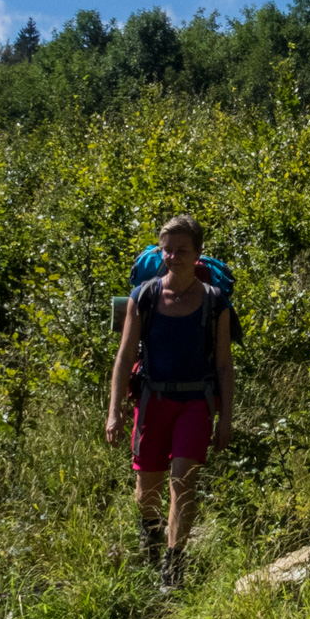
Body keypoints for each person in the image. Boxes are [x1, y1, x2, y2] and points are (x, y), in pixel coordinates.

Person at [105, 214, 234, 590]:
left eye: (182, 250)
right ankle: (150, 528)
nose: (173, 257)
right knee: (148, 491)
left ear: (197, 254)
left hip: (196, 401)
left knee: (184, 483)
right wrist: (114, 412)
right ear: (160, 250)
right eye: (167, 249)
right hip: (153, 400)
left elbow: (224, 365)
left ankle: (173, 564)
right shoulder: (142, 298)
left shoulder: (215, 302)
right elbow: (125, 356)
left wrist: (225, 418)